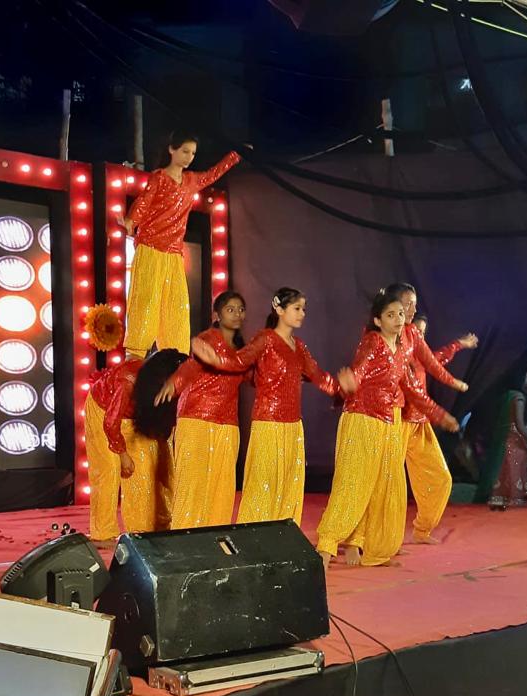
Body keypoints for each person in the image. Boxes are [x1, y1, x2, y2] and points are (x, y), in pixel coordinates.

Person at [316, 288, 459, 568]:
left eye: (401, 314)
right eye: (391, 315)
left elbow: (413, 389)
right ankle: (326, 548)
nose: (398, 319)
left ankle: (376, 550)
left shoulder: (402, 351)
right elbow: (358, 369)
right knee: (354, 484)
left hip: (388, 422)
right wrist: (348, 384)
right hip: (362, 419)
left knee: (386, 487)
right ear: (378, 321)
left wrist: (440, 415)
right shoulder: (373, 342)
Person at [192, 287, 356, 525]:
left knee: (290, 487)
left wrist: (341, 387)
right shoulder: (266, 339)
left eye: (303, 309)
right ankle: (255, 538)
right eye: (297, 308)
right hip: (268, 424)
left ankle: (283, 538)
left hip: (293, 426)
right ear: (279, 309)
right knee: (262, 486)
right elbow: (239, 361)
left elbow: (318, 376)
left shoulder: (299, 346)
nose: (302, 314)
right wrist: (216, 359)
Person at [122, 132, 241, 358]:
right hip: (151, 250)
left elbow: (214, 173)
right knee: (146, 304)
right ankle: (134, 358)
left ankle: (175, 358)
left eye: (193, 153)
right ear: (171, 149)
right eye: (185, 151)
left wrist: (235, 156)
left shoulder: (191, 181)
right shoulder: (159, 178)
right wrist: (130, 221)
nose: (189, 157)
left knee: (176, 309)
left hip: (174, 255)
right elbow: (144, 202)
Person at [154, 291, 249, 528]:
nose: (236, 314)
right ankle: (183, 539)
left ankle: (213, 539)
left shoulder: (242, 350)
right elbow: (191, 365)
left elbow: (253, 377)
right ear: (217, 315)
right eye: (230, 309)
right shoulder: (207, 339)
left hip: (228, 423)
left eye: (240, 309)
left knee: (222, 488)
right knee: (192, 485)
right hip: (197, 418)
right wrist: (174, 383)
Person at [389, 283, 472, 545]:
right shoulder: (391, 345)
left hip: (419, 422)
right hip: (397, 420)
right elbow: (412, 389)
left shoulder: (416, 346)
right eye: (408, 305)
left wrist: (458, 346)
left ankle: (422, 529)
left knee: (441, 478)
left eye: (423, 333)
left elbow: (436, 361)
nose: (419, 336)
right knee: (389, 485)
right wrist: (440, 414)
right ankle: (376, 540)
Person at [84, 351, 182, 542]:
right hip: (103, 411)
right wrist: (122, 455)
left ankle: (142, 530)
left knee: (145, 470)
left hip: (134, 418)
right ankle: (103, 534)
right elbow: (110, 423)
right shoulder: (128, 381)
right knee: (109, 470)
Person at [476, 369, 527, 510]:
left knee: (502, 470)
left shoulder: (505, 396)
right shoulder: (518, 397)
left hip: (501, 438)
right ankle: (515, 500)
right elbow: (519, 424)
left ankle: (498, 499)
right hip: (515, 439)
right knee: (515, 468)